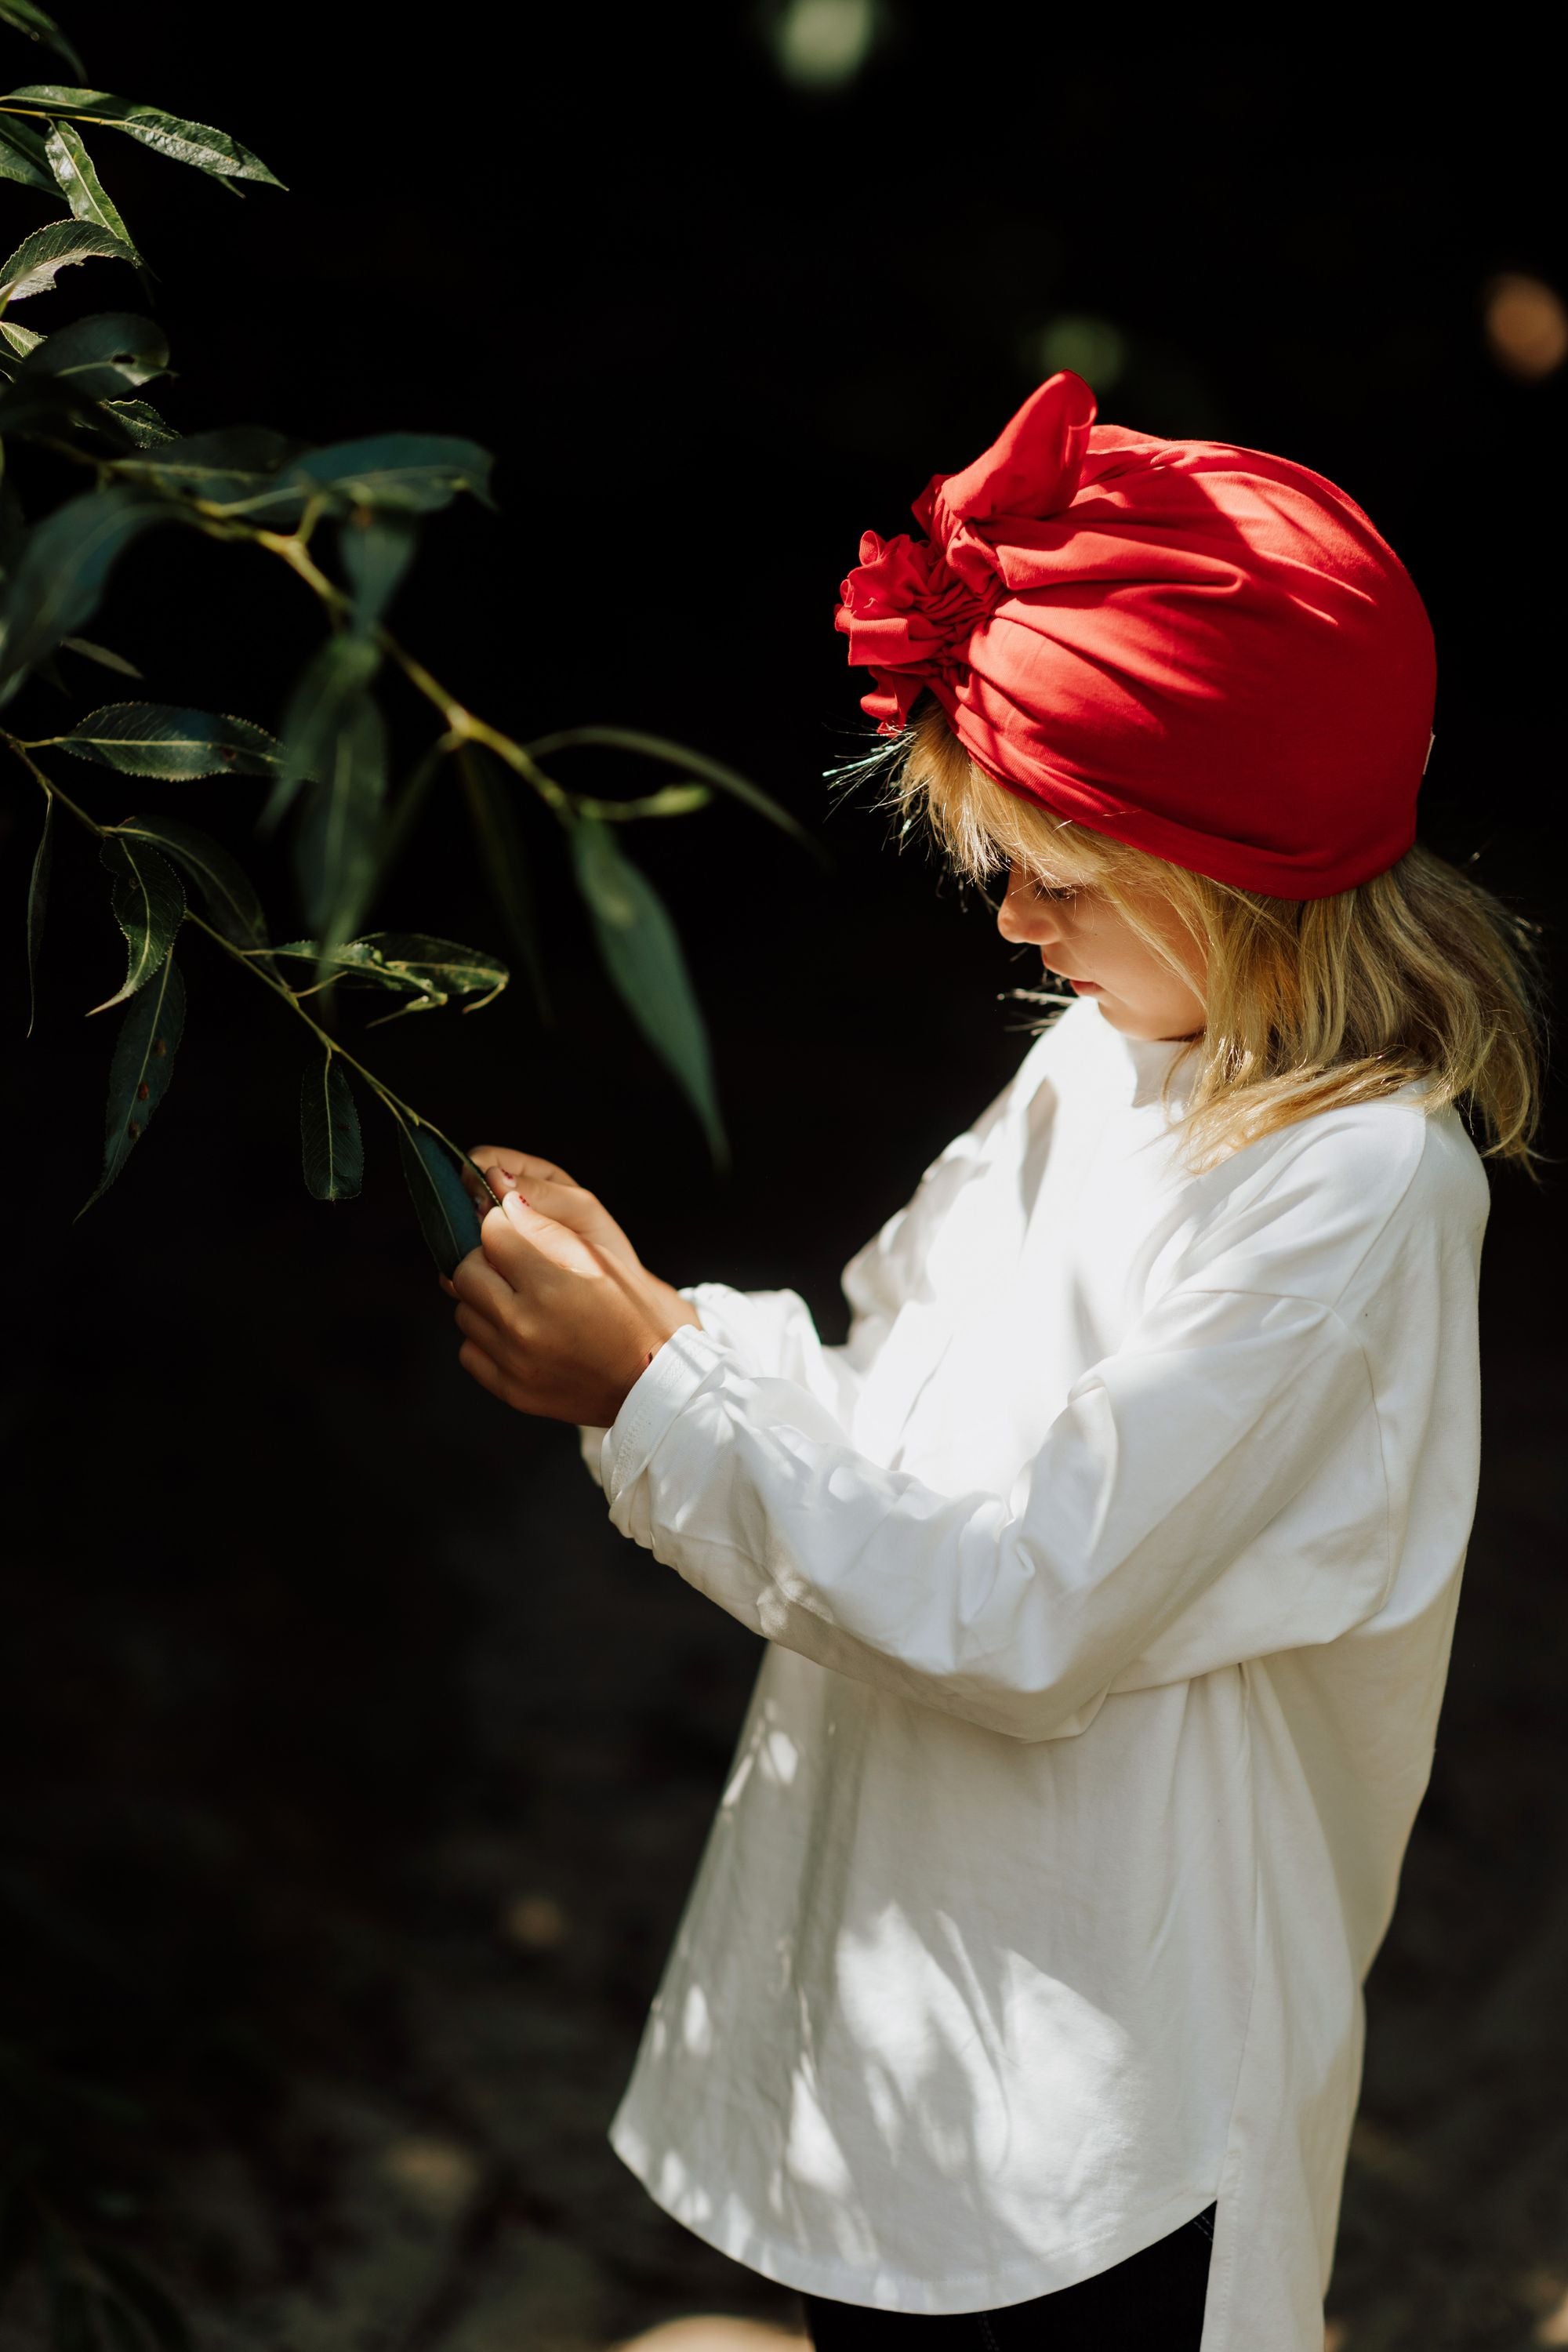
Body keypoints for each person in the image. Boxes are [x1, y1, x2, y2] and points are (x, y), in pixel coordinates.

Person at [441, 373, 1541, 2350]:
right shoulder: (1104, 1064)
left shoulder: (1356, 1188)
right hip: (928, 2001)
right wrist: (662, 1326)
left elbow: (1027, 1603)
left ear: (1236, 864)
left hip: (1112, 2074)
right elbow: (895, 1410)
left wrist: (650, 1393)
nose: (1018, 922)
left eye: (1062, 872)